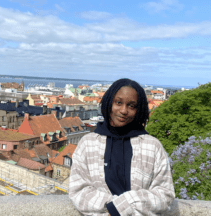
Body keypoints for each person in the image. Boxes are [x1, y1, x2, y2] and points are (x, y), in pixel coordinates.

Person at [69, 78, 175, 216]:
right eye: (118, 102)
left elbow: (165, 195)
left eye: (131, 106)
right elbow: (78, 191)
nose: (124, 110)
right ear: (109, 102)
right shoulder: (87, 144)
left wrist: (118, 209)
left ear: (139, 110)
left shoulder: (152, 146)